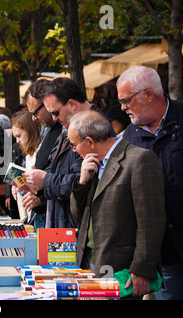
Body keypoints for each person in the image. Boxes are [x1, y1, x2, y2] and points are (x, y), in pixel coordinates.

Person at [68, 110, 165, 298]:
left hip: (120, 268)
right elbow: (80, 216)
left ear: (89, 142)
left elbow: (151, 223)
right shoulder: (93, 164)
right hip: (89, 262)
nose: (74, 150)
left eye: (74, 145)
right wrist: (82, 182)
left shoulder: (139, 159)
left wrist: (141, 270)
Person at [116, 65, 183, 300]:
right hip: (164, 252)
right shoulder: (130, 136)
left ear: (147, 94)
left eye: (126, 100)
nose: (122, 107)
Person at [22, 79, 62, 228]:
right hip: (45, 211)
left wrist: (43, 198)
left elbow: (73, 179)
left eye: (35, 112)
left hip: (55, 214)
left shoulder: (65, 128)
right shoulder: (48, 128)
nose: (33, 118)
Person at [9, 110, 42, 223]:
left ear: (29, 130)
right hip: (31, 210)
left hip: (40, 210)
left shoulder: (41, 151)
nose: (17, 141)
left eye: (19, 136)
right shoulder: (28, 154)